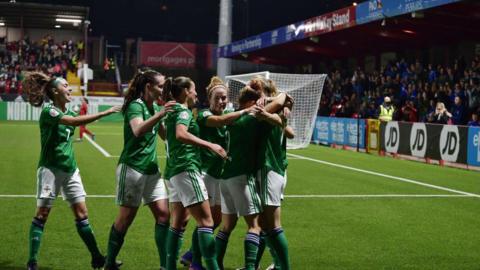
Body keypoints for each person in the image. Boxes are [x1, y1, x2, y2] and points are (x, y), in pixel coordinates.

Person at [24, 72, 121, 270]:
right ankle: (32, 261)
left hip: (71, 170)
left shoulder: (69, 111)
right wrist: (105, 112)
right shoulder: (49, 111)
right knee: (42, 214)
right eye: (66, 86)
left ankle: (96, 258)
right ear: (54, 91)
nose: (69, 89)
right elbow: (73, 122)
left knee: (82, 214)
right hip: (50, 170)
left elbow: (77, 120)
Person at [181, 76, 258, 270]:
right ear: (209, 99)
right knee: (205, 222)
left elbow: (234, 115)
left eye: (224, 98)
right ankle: (195, 263)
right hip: (206, 174)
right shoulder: (204, 115)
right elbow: (222, 120)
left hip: (220, 176)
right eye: (218, 98)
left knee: (214, 221)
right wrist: (245, 111)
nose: (222, 101)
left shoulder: (230, 112)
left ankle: (191, 254)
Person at [104, 70, 176, 270]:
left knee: (163, 215)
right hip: (132, 168)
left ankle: (165, 266)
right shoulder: (136, 105)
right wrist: (161, 114)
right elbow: (137, 129)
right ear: (148, 87)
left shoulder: (154, 107)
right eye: (160, 86)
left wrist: (178, 121)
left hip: (152, 170)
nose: (163, 90)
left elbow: (166, 136)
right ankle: (109, 262)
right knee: (125, 219)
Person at [214, 85, 283, 270]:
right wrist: (277, 98)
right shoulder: (248, 118)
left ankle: (215, 264)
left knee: (226, 226)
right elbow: (279, 102)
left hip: (225, 176)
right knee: (256, 225)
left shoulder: (232, 117)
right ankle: (251, 267)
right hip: (241, 176)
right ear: (251, 103)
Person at [162, 76, 228, 270]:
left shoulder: (172, 110)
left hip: (173, 170)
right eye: (193, 90)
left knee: (178, 224)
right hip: (187, 168)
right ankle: (203, 266)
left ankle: (169, 266)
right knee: (207, 222)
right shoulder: (182, 110)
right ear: (184, 92)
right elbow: (181, 134)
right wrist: (210, 144)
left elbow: (166, 134)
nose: (196, 94)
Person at [248, 77, 294, 270]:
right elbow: (289, 132)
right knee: (264, 225)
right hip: (274, 169)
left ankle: (283, 267)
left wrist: (278, 103)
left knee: (272, 225)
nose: (250, 92)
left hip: (269, 168)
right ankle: (270, 265)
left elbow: (279, 113)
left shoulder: (268, 111)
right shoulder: (278, 110)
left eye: (254, 89)